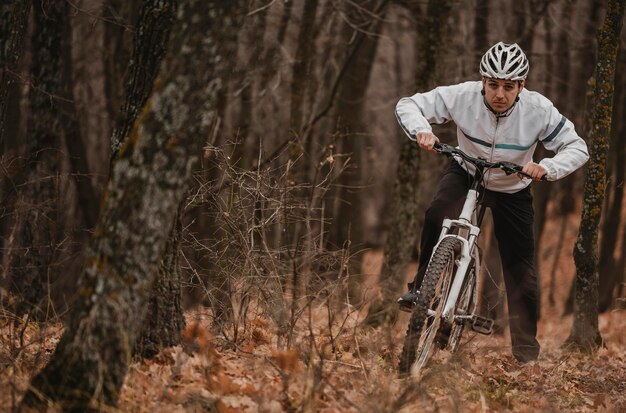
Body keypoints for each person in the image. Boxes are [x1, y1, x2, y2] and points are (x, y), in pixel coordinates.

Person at [394, 41, 589, 363]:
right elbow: (408, 104)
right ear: (482, 81)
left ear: (521, 86)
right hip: (467, 170)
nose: (499, 94)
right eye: (493, 85)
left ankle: (525, 353)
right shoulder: (462, 96)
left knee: (521, 272)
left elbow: (577, 147)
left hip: (512, 185)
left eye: (509, 87)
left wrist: (547, 167)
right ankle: (420, 289)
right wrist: (422, 131)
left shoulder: (538, 110)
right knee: (436, 214)